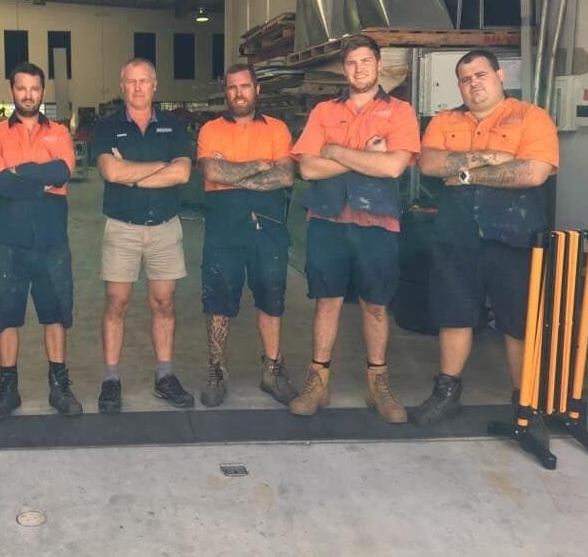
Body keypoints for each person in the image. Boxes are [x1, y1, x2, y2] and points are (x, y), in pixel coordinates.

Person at [409, 49, 559, 427]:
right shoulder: (445, 119)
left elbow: (534, 172)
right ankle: (447, 394)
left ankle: (527, 405)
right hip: (457, 236)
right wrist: (491, 158)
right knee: (453, 315)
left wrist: (464, 172)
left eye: (480, 75)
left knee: (518, 322)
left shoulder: (531, 118)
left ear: (499, 75)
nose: (473, 83)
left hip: (512, 236)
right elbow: (429, 163)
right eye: (465, 78)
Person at [289, 34, 421, 423]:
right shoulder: (323, 112)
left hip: (377, 222)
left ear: (379, 65)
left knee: (376, 306)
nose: (359, 68)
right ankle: (317, 382)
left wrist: (335, 151)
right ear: (343, 69)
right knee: (325, 302)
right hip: (328, 220)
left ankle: (378, 385)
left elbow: (394, 167)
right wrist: (367, 155)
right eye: (351, 63)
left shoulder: (400, 112)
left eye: (365, 61)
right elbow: (308, 168)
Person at [0, 62, 81, 419]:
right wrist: (41, 180)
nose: (28, 95)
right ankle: (8, 389)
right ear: (12, 91)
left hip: (52, 240)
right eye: (21, 88)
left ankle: (59, 385)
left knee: (55, 314)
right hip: (8, 241)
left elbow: (64, 170)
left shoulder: (60, 134)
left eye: (34, 88)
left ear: (43, 92)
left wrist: (18, 173)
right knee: (6, 316)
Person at [91, 58, 194, 412]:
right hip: (122, 228)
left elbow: (182, 174)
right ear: (122, 87)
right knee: (116, 304)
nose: (137, 88)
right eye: (130, 82)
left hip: (165, 228)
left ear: (155, 85)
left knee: (164, 304)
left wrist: (131, 174)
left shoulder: (174, 126)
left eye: (144, 81)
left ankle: (165, 376)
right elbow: (110, 171)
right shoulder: (106, 127)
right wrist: (158, 168)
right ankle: (111, 379)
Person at [195, 64, 298, 407]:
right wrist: (260, 165)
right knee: (217, 300)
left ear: (257, 90)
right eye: (232, 87)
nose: (238, 93)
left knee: (271, 297)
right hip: (223, 230)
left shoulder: (277, 129)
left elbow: (285, 176)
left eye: (244, 86)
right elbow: (211, 170)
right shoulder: (210, 129)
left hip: (268, 229)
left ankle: (272, 369)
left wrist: (232, 172)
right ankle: (216, 370)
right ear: (226, 92)